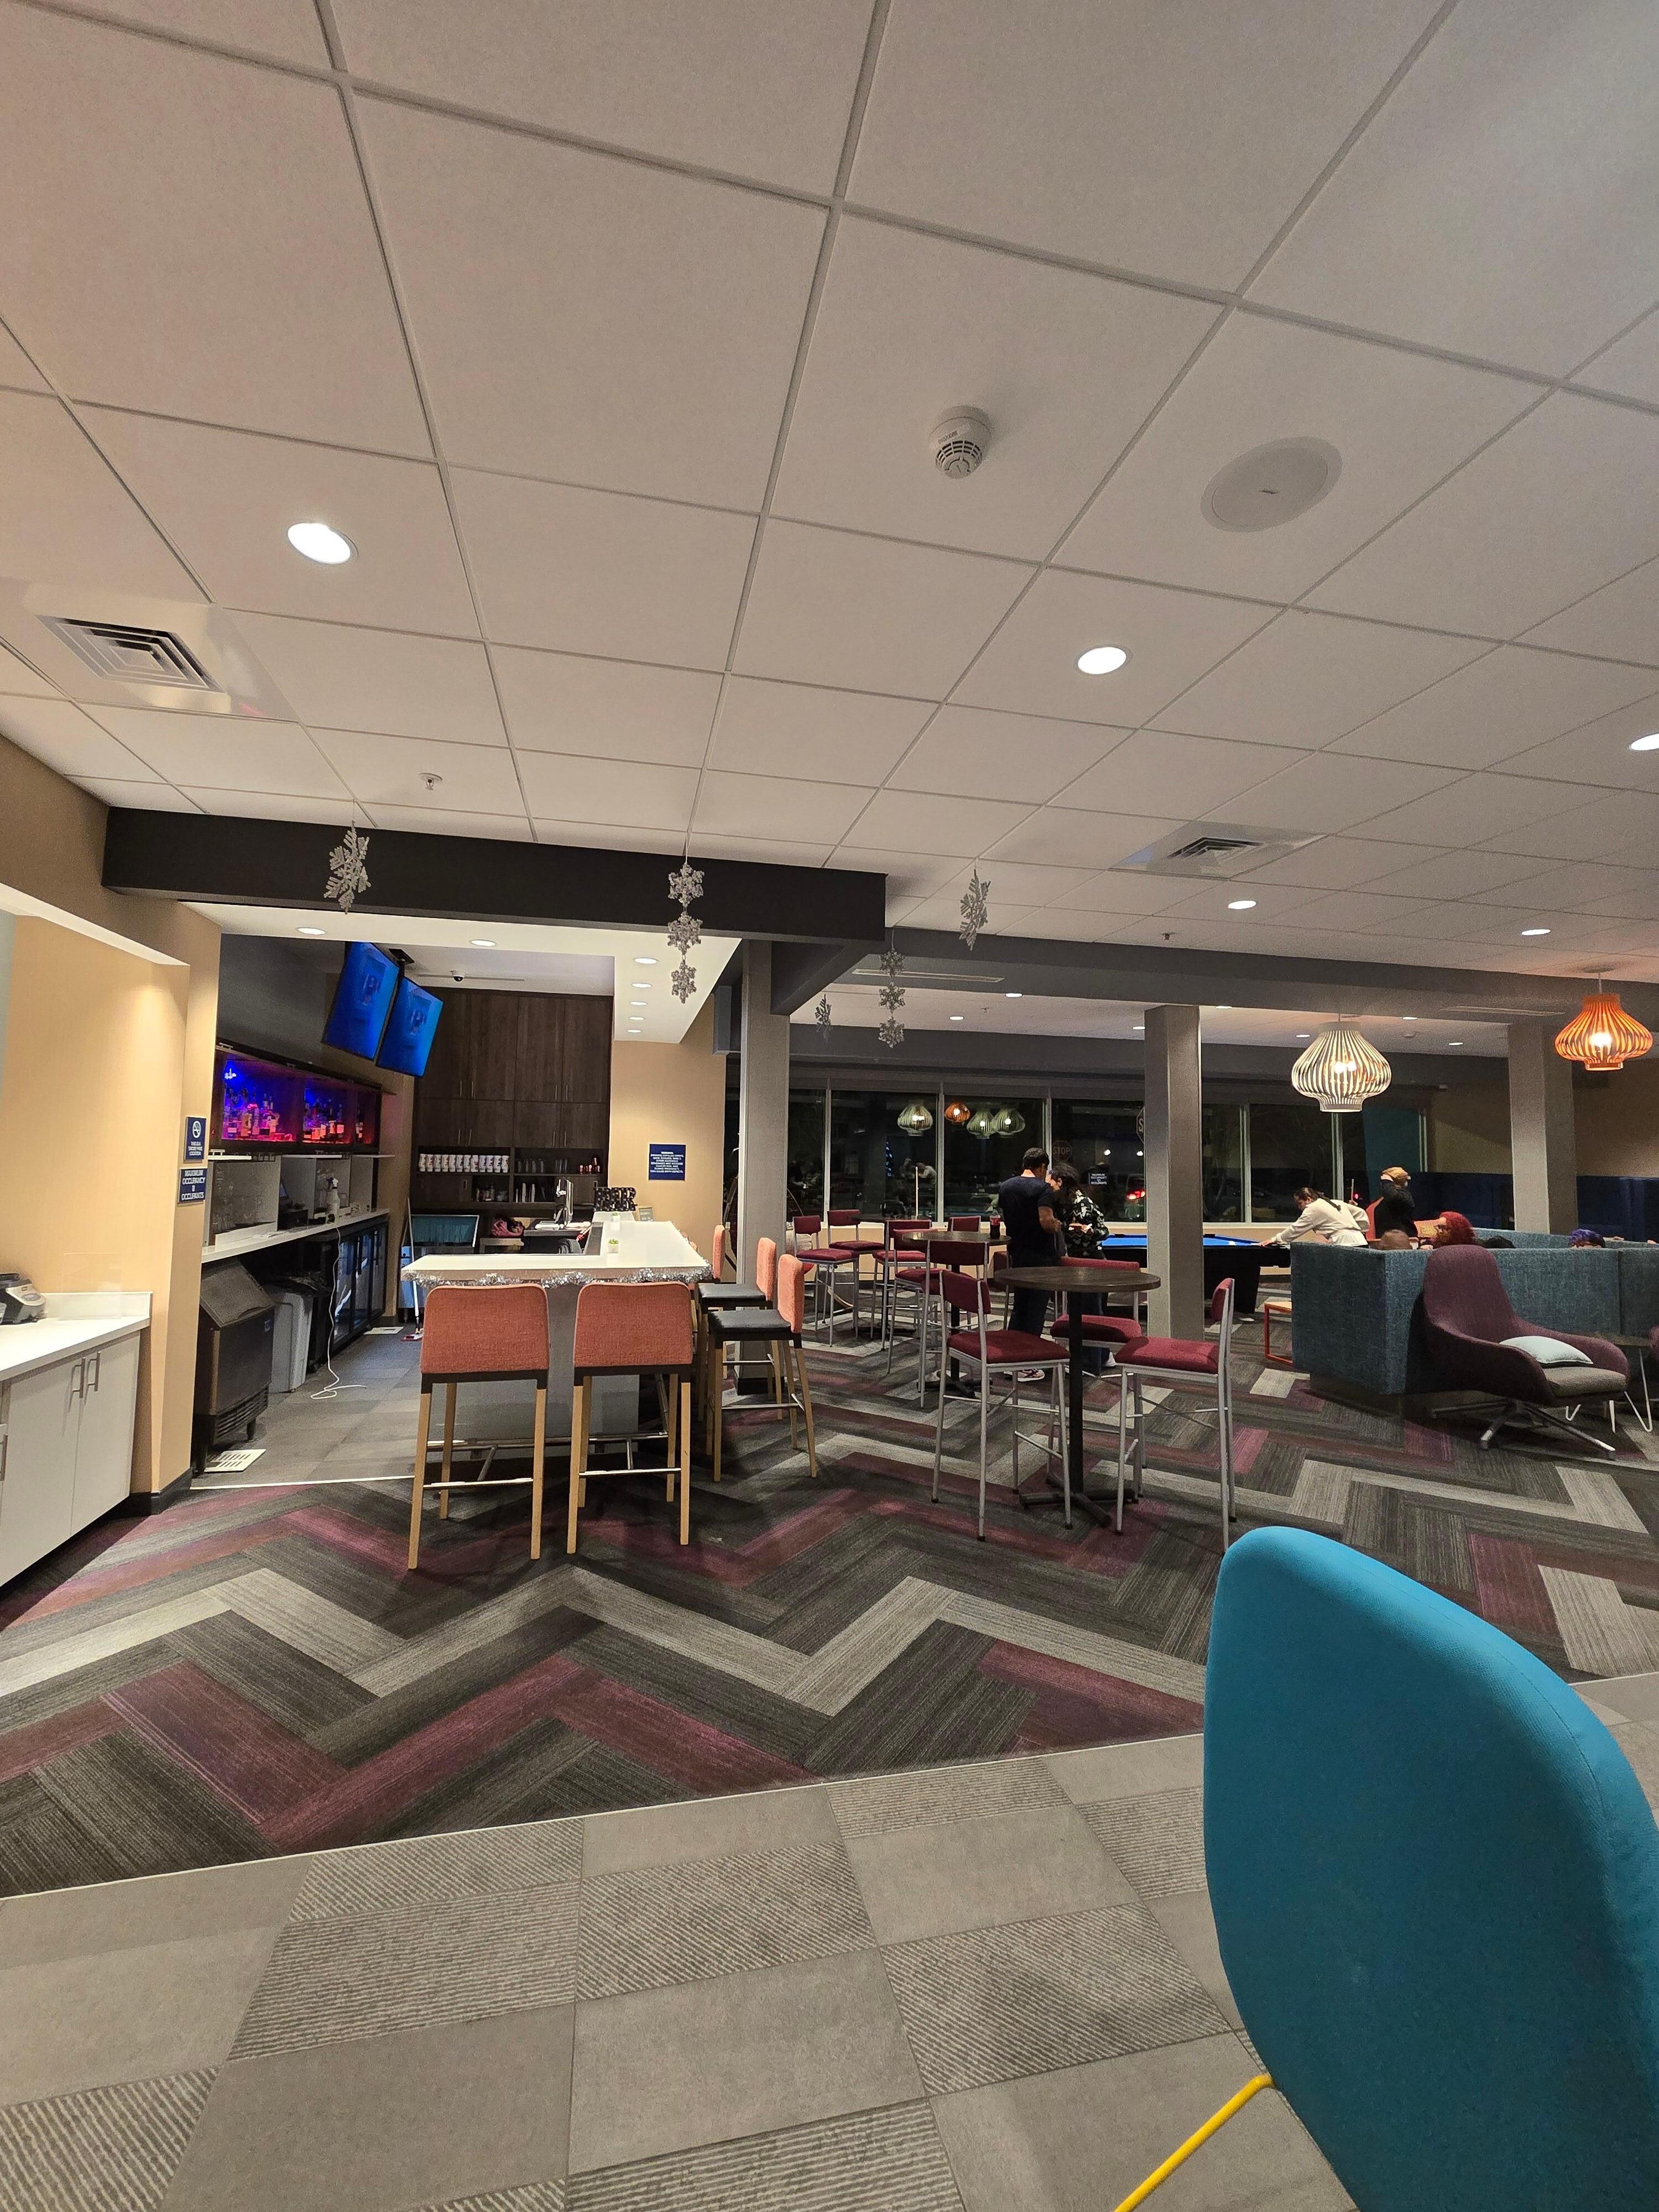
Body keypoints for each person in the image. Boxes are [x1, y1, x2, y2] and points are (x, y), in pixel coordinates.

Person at [997, 1146, 1062, 1340]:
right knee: (1037, 1308)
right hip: (1041, 1255)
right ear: (1042, 1167)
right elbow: (1046, 1222)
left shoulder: (1006, 1187)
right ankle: (1031, 1352)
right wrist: (1057, 1225)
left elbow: (1005, 1216)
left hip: (1017, 1252)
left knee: (1020, 1305)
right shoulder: (1043, 1188)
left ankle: (1013, 1348)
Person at [1269, 1187, 1368, 1248]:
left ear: (1308, 1199)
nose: (1299, 1208)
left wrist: (1276, 1239)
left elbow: (1296, 1229)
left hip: (1345, 1245)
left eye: (1300, 1203)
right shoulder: (1335, 1202)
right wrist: (1362, 1230)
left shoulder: (1312, 1208)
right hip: (1361, 1241)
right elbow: (1361, 1212)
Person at [1371, 1166, 1418, 1243]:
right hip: (1389, 1240)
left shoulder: (1404, 1195)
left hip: (1401, 1240)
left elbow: (1393, 1197)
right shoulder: (1386, 1198)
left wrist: (1387, 1182)